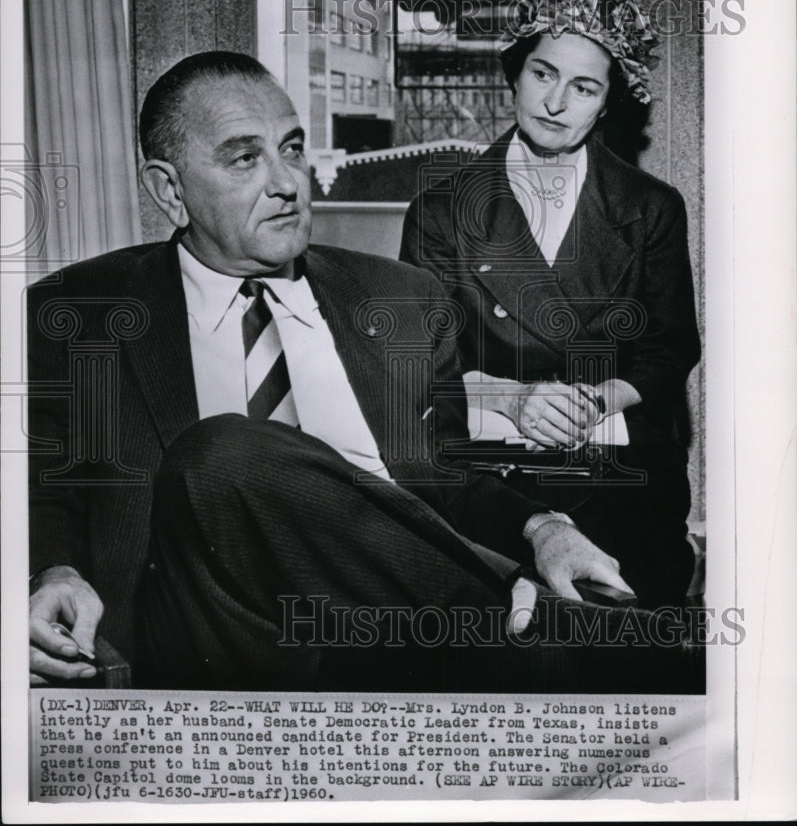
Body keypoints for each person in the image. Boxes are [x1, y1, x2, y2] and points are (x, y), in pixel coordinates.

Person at [28, 51, 641, 692]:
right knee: (221, 454)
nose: (287, 182)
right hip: (211, 644)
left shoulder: (404, 301)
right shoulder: (79, 315)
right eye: (245, 158)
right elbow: (40, 492)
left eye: (291, 148)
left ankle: (536, 640)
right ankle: (530, 630)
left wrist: (543, 529)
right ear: (169, 189)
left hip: (397, 639)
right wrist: (51, 572)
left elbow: (445, 479)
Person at [400, 0, 701, 608]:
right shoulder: (440, 210)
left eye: (583, 86)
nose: (556, 102)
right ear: (515, 73)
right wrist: (515, 399)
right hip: (493, 483)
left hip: (623, 472)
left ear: (608, 102)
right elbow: (420, 368)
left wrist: (592, 402)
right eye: (543, 74)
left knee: (641, 662)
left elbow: (669, 351)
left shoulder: (652, 208)